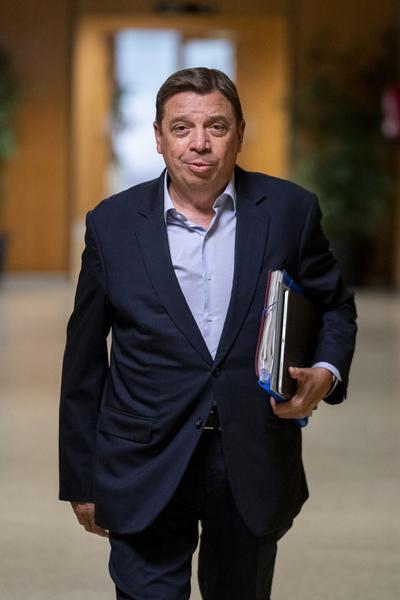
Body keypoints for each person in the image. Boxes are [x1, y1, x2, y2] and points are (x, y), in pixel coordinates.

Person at [59, 67, 357, 599]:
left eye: (216, 126)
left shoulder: (289, 211)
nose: (199, 143)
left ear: (240, 133)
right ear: (158, 137)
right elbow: (83, 364)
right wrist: (81, 479)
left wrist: (325, 371)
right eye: (181, 128)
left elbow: (334, 304)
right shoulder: (111, 225)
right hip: (144, 459)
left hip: (251, 456)